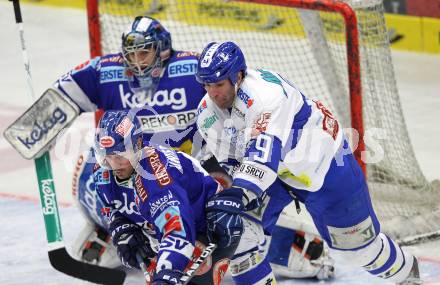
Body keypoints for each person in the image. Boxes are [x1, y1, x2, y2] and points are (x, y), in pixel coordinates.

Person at [53, 15, 334, 280]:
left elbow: (232, 101)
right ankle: (123, 234)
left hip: (191, 167)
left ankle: (270, 245)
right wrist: (34, 128)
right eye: (133, 54)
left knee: (224, 207)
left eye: (144, 52)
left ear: (162, 50)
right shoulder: (108, 71)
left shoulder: (191, 69)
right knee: (96, 178)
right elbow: (60, 95)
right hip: (135, 171)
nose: (137, 62)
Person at [194, 41, 422, 285]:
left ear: (237, 76)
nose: (213, 93)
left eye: (218, 84)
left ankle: (408, 275)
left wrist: (236, 197)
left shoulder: (266, 95)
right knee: (239, 232)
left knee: (359, 251)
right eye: (206, 85)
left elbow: (263, 159)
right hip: (278, 178)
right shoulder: (206, 114)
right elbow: (234, 164)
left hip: (326, 169)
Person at [92, 109, 274, 284]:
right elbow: (113, 207)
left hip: (214, 227)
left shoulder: (156, 176)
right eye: (106, 157)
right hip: (173, 232)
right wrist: (123, 229)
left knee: (243, 261)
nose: (114, 164)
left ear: (138, 145)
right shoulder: (102, 174)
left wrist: (166, 276)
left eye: (120, 155)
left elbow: (177, 231)